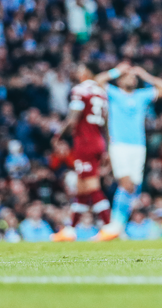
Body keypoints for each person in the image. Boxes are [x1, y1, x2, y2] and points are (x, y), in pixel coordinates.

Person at [92, 63, 162, 241]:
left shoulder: (141, 96)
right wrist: (115, 71)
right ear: (120, 80)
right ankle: (113, 226)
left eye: (133, 77)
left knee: (132, 187)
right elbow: (96, 82)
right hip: (119, 144)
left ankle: (117, 228)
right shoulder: (113, 93)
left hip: (138, 146)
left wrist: (145, 75)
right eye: (128, 76)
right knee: (126, 183)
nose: (132, 78)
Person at [51, 63, 111, 242]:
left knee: (92, 186)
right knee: (82, 188)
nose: (75, 73)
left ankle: (109, 226)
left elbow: (73, 118)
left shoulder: (80, 90)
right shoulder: (101, 91)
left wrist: (58, 135)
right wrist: (106, 146)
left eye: (78, 70)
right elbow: (106, 122)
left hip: (85, 142)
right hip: (97, 141)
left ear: (86, 72)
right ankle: (71, 230)